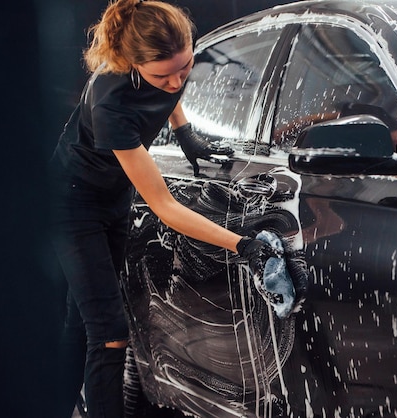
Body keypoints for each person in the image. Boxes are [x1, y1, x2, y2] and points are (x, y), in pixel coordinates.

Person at [48, 1, 299, 417]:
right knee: (110, 334)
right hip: (73, 204)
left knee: (82, 323)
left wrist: (185, 133)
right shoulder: (111, 103)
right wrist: (242, 245)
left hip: (112, 199)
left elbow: (169, 89)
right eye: (162, 75)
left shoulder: (169, 69)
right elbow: (164, 206)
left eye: (185, 68)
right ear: (131, 63)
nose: (176, 81)